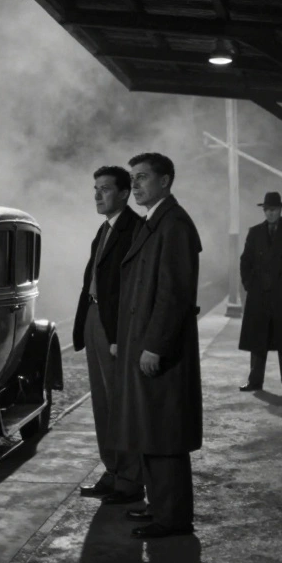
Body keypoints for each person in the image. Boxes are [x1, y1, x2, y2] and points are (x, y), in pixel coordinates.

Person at [112, 152, 202, 539]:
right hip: (144, 345)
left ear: (165, 181)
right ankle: (160, 506)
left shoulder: (174, 225)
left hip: (159, 350)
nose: (135, 185)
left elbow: (174, 293)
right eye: (133, 178)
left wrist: (155, 345)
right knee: (152, 430)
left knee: (164, 434)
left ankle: (173, 518)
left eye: (143, 177)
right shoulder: (158, 222)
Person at [73, 165, 145, 505]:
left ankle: (130, 478)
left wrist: (120, 333)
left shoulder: (134, 229)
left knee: (121, 403)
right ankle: (113, 469)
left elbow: (135, 288)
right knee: (103, 402)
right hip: (94, 317)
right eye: (95, 188)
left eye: (104, 188)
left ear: (123, 192)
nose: (98, 195)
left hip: (113, 325)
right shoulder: (104, 230)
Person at [238, 192, 282, 395]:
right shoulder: (255, 233)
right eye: (267, 210)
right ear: (264, 210)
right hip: (259, 294)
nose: (270, 213)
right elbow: (246, 261)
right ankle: (255, 381)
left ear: (280, 210)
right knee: (257, 342)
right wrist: (249, 284)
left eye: (274, 209)